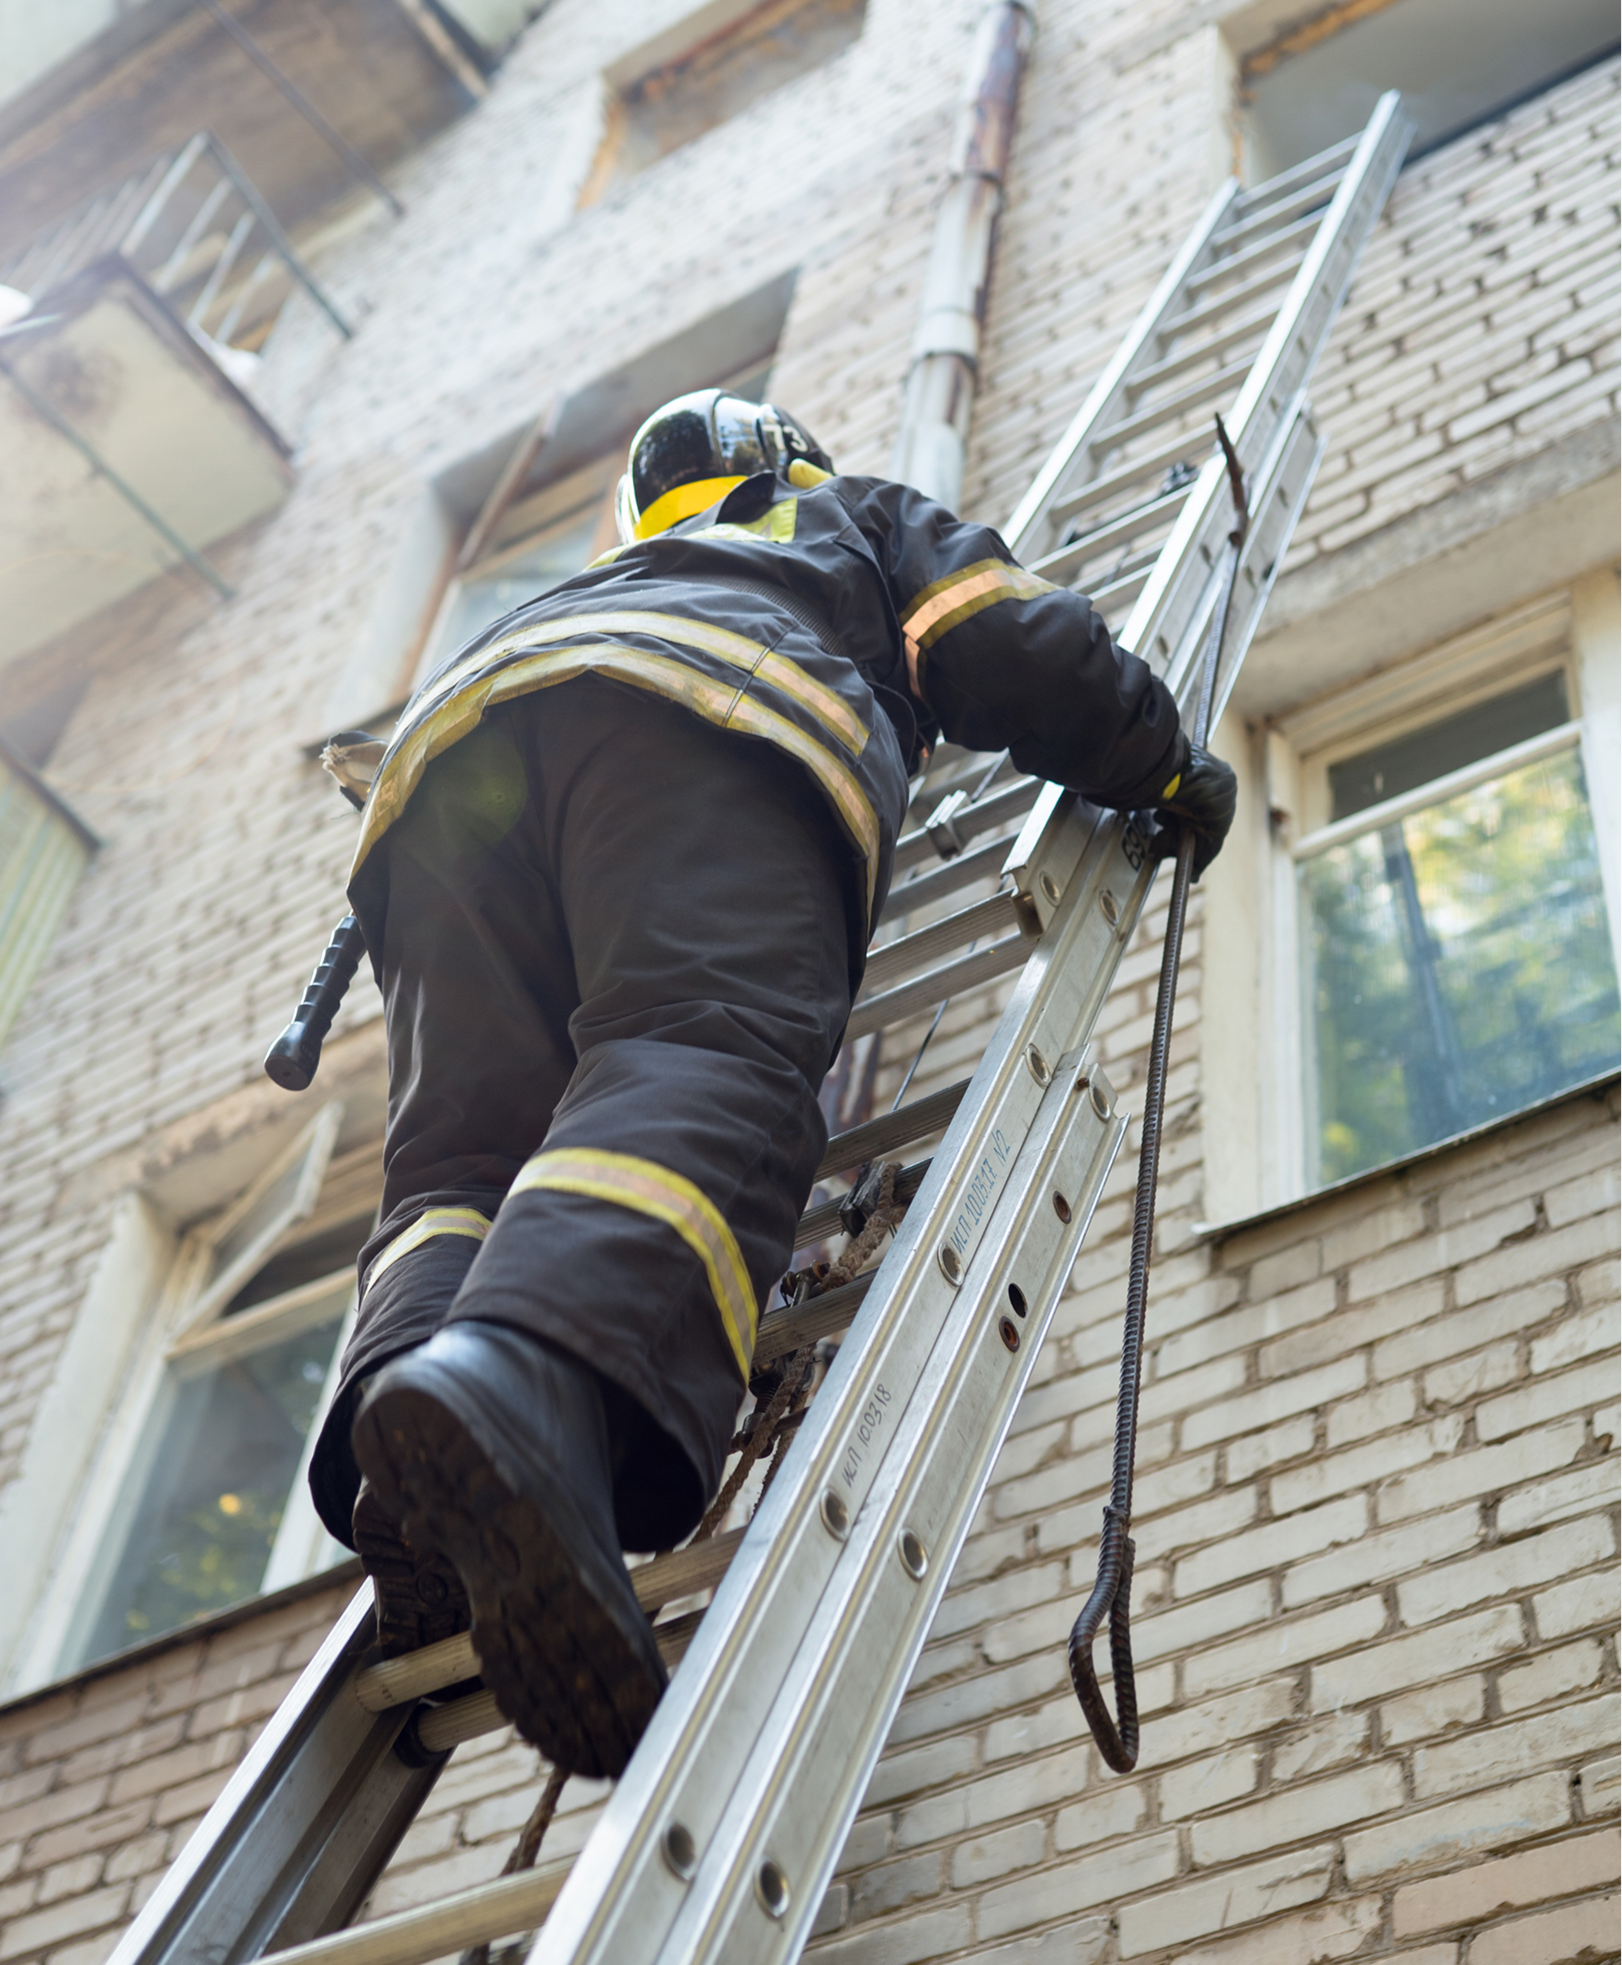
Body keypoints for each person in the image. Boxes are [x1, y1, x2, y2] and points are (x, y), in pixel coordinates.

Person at [308, 391, 1236, 1778]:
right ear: (776, 459)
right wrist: (1160, 766)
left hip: (440, 791)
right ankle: (529, 1372)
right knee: (693, 1049)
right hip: (702, 714)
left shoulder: (593, 579)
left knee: (456, 1169)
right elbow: (994, 635)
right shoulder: (839, 515)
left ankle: (412, 1476)